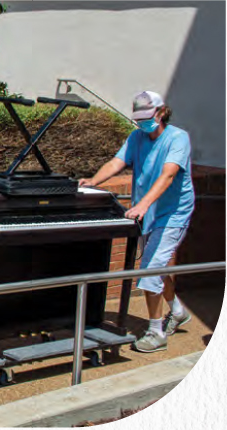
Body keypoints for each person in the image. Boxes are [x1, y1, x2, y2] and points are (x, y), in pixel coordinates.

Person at [79, 91, 195, 353]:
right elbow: (116, 162)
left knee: (149, 268)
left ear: (161, 112)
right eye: (139, 119)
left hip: (173, 213)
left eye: (147, 117)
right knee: (157, 263)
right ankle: (176, 310)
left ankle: (156, 332)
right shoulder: (137, 137)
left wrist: (142, 204)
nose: (143, 123)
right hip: (149, 212)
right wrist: (93, 181)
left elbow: (167, 176)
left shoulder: (178, 138)